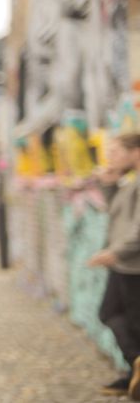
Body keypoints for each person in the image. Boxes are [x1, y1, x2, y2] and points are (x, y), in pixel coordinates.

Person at [88, 133, 140, 400]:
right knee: (118, 317)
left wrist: (114, 252)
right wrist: (108, 184)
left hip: (132, 265)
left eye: (117, 151)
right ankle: (134, 371)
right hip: (124, 264)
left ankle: (135, 364)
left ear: (135, 151)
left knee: (120, 317)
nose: (111, 157)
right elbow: (117, 213)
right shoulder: (131, 183)